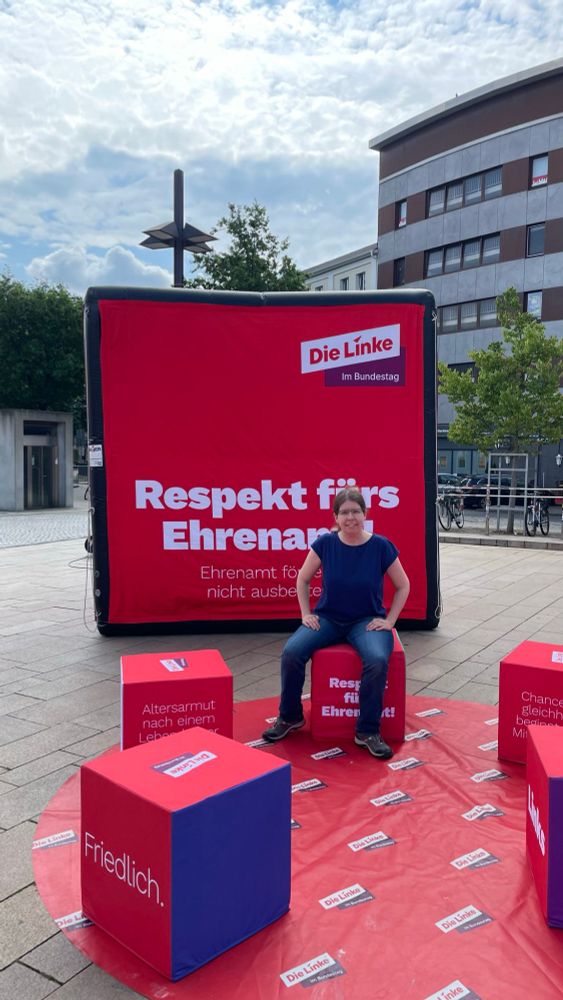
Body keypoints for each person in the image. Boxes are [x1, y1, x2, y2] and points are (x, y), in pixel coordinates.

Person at [262, 487, 410, 759]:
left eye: (355, 511)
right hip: (328, 618)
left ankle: (367, 731)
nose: (350, 517)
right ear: (336, 516)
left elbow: (403, 585)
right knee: (292, 652)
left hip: (365, 621)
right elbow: (302, 579)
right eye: (344, 512)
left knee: (377, 660)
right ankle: (290, 717)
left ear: (365, 514)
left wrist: (390, 621)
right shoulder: (325, 544)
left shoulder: (380, 546)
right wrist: (305, 613)